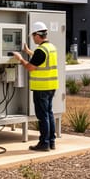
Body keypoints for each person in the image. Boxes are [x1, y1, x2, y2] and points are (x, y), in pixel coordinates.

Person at [12, 21, 58, 151]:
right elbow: (41, 60)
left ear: (38, 35)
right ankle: (51, 142)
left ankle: (44, 143)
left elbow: (31, 67)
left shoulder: (41, 50)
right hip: (51, 86)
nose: (33, 38)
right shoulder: (51, 47)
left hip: (41, 88)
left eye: (33, 36)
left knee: (43, 116)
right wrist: (28, 52)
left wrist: (20, 58)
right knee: (49, 113)